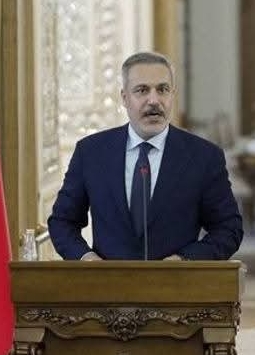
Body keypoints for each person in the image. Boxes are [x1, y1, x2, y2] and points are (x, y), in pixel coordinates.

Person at [48, 51, 243, 260]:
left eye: (162, 90)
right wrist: (86, 258)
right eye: (142, 90)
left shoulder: (204, 157)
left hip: (176, 279)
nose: (154, 100)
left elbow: (228, 228)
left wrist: (185, 260)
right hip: (108, 280)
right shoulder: (90, 152)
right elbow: (62, 222)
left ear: (172, 95)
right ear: (125, 98)